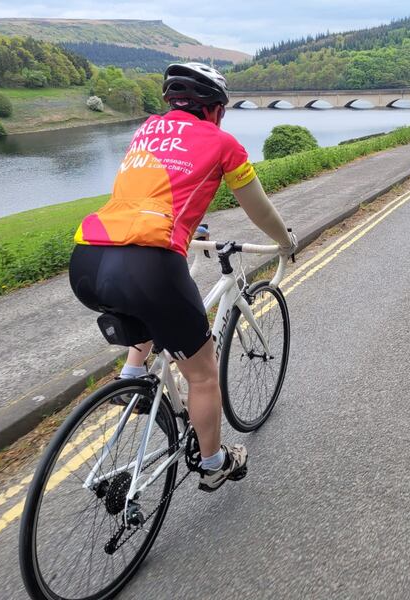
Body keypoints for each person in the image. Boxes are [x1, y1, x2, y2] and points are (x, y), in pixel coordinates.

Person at [68, 62, 296, 492]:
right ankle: (213, 463)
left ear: (173, 104)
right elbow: (258, 208)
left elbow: (158, 188)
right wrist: (285, 241)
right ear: (214, 110)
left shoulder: (146, 131)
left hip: (88, 259)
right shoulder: (223, 143)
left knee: (150, 312)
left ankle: (132, 379)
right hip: (149, 264)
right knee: (203, 373)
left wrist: (194, 228)